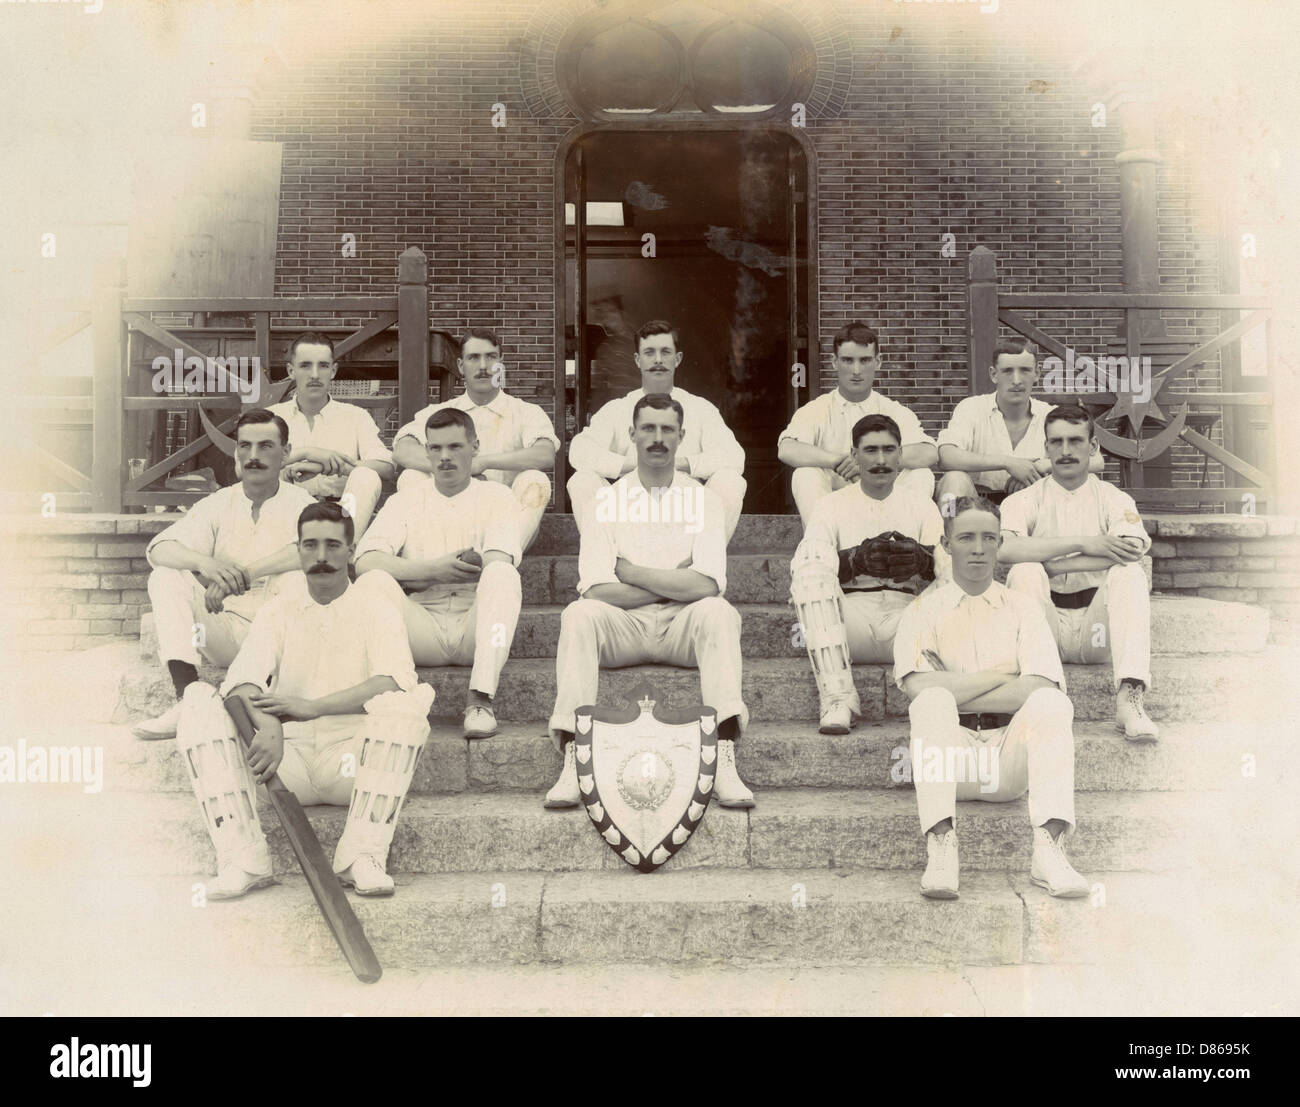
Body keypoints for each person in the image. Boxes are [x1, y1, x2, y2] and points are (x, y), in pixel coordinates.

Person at [174, 500, 432, 899]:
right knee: (198, 703)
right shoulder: (279, 609)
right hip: (284, 764)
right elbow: (241, 683)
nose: (321, 557)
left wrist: (313, 707)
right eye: (310, 545)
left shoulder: (377, 605)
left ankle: (361, 856)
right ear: (297, 550)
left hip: (354, 764)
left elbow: (391, 682)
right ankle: (243, 858)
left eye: (332, 545)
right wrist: (271, 724)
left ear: (350, 550)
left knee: (406, 708)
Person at [544, 393, 754, 810]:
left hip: (683, 627)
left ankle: (724, 753)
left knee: (719, 613)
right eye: (648, 429)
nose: (657, 438)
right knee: (579, 614)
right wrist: (676, 579)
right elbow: (596, 589)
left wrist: (634, 573)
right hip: (625, 627)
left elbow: (709, 585)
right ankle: (573, 752)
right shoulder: (607, 500)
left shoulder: (703, 499)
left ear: (681, 437)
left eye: (667, 430)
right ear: (632, 435)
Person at [893, 495, 1090, 900]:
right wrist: (1003, 676)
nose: (978, 548)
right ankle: (942, 846)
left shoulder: (1023, 608)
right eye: (966, 537)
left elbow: (1040, 686)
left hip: (1007, 759)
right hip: (950, 760)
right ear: (946, 545)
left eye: (989, 538)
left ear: (1001, 543)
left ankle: (1049, 850)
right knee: (931, 704)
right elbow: (917, 689)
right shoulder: (920, 611)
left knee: (1053, 704)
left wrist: (953, 684)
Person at [133, 410, 315, 740]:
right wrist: (207, 565)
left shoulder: (302, 503)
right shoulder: (220, 502)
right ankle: (187, 698)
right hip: (224, 629)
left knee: (300, 578)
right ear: (235, 453)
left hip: (280, 640)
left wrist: (242, 574)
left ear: (286, 453)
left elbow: (313, 552)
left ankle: (263, 702)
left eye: (265, 446)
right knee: (166, 576)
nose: (253, 456)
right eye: (244, 446)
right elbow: (159, 549)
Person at [354, 407, 522, 740]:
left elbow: (499, 559)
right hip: (421, 629)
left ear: (474, 447)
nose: (444, 457)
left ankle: (480, 700)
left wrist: (412, 576)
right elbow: (365, 561)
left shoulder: (498, 496)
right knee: (373, 582)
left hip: (479, 630)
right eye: (436, 448)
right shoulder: (406, 500)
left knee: (504, 575)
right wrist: (432, 570)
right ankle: (399, 693)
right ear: (427, 450)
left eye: (455, 447)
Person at [998, 403, 1159, 740]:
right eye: (1056, 442)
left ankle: (1130, 698)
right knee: (1025, 572)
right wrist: (1088, 543)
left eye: (1075, 440)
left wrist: (1054, 564)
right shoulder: (1023, 500)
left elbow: (1130, 550)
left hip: (1095, 627)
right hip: (1047, 626)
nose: (1066, 450)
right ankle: (1038, 695)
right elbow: (1007, 550)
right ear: (1045, 448)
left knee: (1130, 574)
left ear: (1093, 446)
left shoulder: (1114, 498)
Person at [790, 414, 949, 735]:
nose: (880, 460)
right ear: (854, 456)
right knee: (807, 563)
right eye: (870, 450)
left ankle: (942, 700)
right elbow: (807, 565)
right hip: (848, 626)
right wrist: (853, 561)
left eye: (889, 450)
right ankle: (838, 699)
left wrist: (924, 560)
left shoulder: (921, 505)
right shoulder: (831, 504)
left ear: (901, 455)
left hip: (908, 624)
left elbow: (949, 574)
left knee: (951, 562)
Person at [567, 319, 747, 543]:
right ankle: (609, 558)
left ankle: (701, 564)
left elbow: (733, 456)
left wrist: (677, 464)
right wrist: (635, 465)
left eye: (665, 352)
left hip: (684, 509)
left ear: (678, 359)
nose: (658, 360)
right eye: (649, 352)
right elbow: (579, 451)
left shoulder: (700, 408)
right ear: (637, 360)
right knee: (582, 480)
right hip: (632, 509)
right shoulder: (619, 408)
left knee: (730, 480)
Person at [390, 328, 558, 551]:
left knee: (536, 479)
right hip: (447, 519)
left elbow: (545, 454)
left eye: (491, 356)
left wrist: (483, 462)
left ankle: (499, 556)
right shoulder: (441, 411)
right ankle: (428, 559)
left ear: (501, 363)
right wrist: (458, 466)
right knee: (411, 476)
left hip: (503, 523)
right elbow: (403, 449)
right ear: (461, 366)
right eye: (473, 358)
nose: (483, 366)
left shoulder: (526, 411)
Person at [778, 321, 938, 527]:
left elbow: (929, 453)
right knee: (805, 474)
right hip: (836, 507)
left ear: (878, 362)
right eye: (847, 360)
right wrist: (837, 461)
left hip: (884, 502)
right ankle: (822, 545)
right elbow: (787, 449)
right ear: (834, 362)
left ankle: (901, 545)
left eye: (864, 360)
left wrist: (866, 461)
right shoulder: (818, 408)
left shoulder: (893, 409)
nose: (856, 370)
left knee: (921, 474)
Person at [936, 337, 1103, 508]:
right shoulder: (972, 407)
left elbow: (1097, 460)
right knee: (952, 482)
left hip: (1032, 505)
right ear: (994, 375)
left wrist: (1041, 466)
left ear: (1036, 373)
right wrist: (1009, 463)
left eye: (1024, 370)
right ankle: (951, 530)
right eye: (1008, 371)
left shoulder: (1050, 414)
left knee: (1084, 482)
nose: (1016, 380)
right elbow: (946, 457)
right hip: (977, 506)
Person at [268, 332, 394, 537]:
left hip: (343, 513)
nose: (315, 374)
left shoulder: (355, 416)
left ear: (333, 370)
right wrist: (305, 453)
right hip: (286, 511)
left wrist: (332, 466)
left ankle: (344, 547)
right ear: (291, 371)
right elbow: (244, 465)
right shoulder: (273, 416)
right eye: (305, 365)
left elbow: (386, 466)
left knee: (366, 475)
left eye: (323, 365)